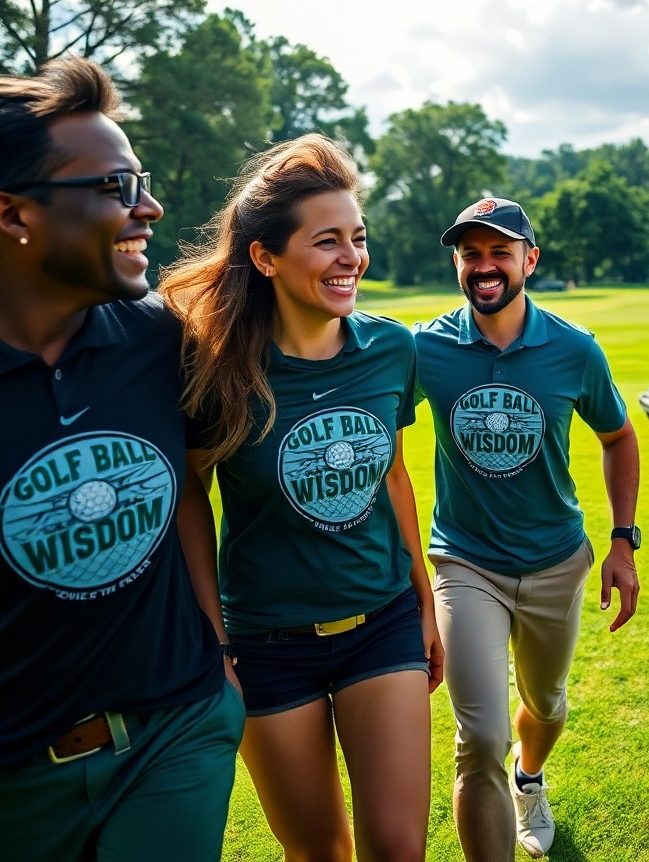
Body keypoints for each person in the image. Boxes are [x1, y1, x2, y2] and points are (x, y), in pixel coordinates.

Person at [160, 133, 443, 862]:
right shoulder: (215, 369)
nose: (352, 257)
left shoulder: (391, 350)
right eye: (327, 241)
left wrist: (424, 599)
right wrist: (213, 634)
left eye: (358, 237)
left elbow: (394, 476)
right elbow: (190, 491)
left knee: (398, 849)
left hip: (381, 624)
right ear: (266, 257)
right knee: (318, 851)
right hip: (266, 644)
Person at [0, 56, 244, 861]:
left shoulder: (157, 341)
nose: (151, 205)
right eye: (115, 188)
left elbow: (197, 488)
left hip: (176, 730)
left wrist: (218, 657)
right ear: (12, 213)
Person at [413, 197, 640, 862]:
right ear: (457, 263)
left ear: (528, 260)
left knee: (545, 704)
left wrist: (623, 539)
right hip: (465, 563)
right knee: (478, 736)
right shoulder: (427, 348)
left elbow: (619, 437)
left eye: (499, 252)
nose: (484, 266)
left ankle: (530, 776)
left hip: (555, 562)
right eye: (470, 253)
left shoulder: (574, 350)